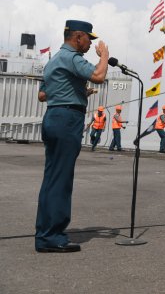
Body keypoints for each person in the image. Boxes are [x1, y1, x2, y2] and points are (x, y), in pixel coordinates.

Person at [35, 19, 109, 253]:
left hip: (54, 117)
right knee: (61, 180)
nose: (90, 44)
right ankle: (52, 237)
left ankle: (46, 232)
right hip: (67, 121)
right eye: (89, 39)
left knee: (52, 179)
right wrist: (104, 56)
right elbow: (98, 75)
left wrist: (78, 90)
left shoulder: (55, 59)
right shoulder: (72, 57)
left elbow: (44, 94)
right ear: (78, 37)